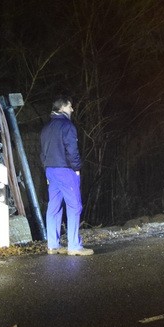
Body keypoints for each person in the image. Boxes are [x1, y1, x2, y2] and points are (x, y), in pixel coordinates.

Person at [40, 96, 93, 256]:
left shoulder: (46, 128)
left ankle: (53, 245)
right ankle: (74, 246)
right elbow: (72, 150)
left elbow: (42, 153)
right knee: (74, 206)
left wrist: (47, 167)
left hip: (50, 170)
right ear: (62, 108)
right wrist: (76, 168)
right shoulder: (67, 126)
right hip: (65, 170)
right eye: (70, 106)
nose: (72, 109)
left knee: (54, 207)